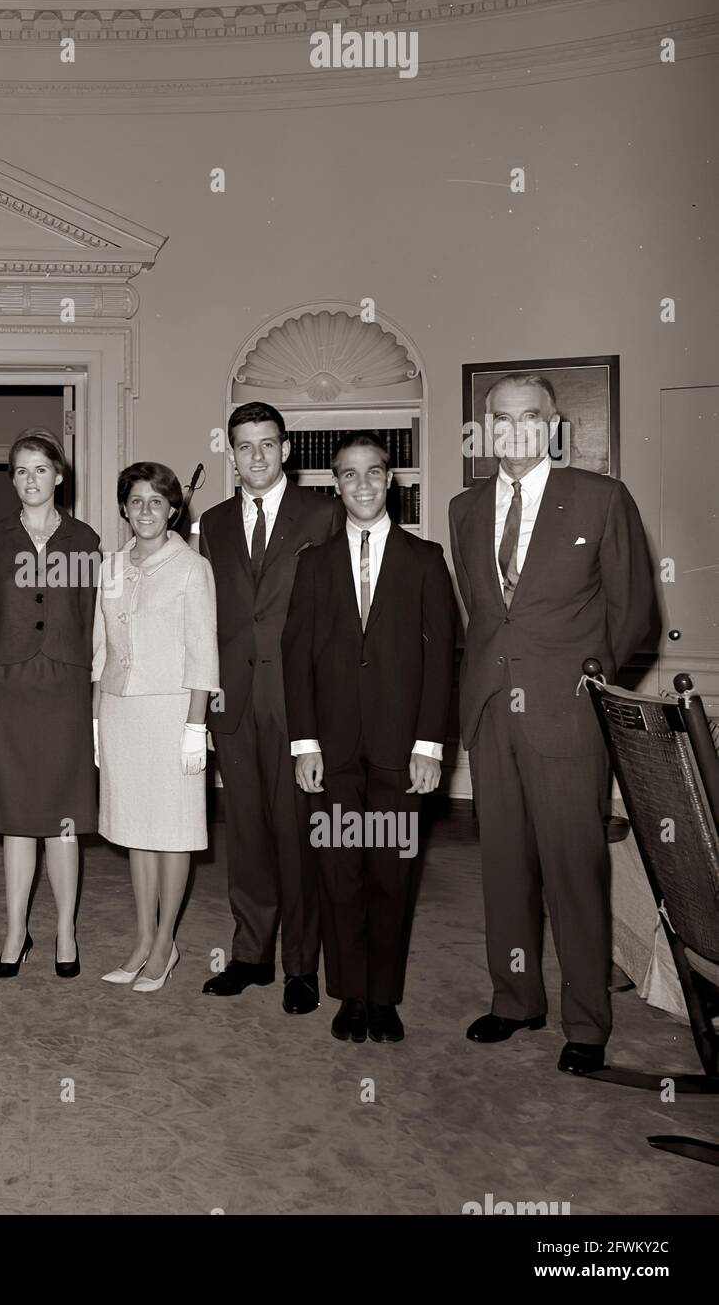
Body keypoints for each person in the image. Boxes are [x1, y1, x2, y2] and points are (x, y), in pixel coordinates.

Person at [449, 373, 657, 1075]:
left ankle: (587, 1021)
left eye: (528, 418)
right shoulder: (464, 508)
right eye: (500, 420)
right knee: (504, 869)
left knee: (574, 870)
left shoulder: (600, 499)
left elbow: (633, 611)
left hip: (566, 714)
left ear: (553, 424)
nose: (513, 432)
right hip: (490, 712)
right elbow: (485, 615)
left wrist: (592, 671)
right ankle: (515, 999)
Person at [284, 432, 456, 1043]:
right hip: (331, 753)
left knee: (391, 872)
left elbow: (441, 663)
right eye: (350, 475)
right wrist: (304, 744)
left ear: (392, 482)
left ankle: (384, 997)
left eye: (374, 473)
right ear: (337, 484)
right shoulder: (313, 562)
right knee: (339, 872)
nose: (362, 485)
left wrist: (429, 747)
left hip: (399, 751)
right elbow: (295, 657)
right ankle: (350, 994)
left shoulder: (425, 560)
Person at [197, 403, 341, 1014]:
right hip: (234, 701)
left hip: (298, 702)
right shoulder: (214, 521)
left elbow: (338, 616)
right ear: (230, 453)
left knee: (297, 837)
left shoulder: (324, 514)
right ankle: (251, 955)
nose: (255, 456)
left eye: (266, 444)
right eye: (244, 445)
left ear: (286, 450)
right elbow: (208, 618)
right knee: (249, 836)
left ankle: (301, 966)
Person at [0, 430, 100, 979]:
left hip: (66, 689)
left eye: (40, 469)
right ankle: (16, 929)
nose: (30, 479)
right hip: (8, 687)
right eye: (20, 471)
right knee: (17, 820)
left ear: (59, 476)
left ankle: (66, 929)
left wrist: (95, 703)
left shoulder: (85, 540)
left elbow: (95, 625)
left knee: (64, 820)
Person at [94, 462, 218, 992]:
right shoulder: (110, 565)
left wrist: (196, 726)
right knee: (136, 834)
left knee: (172, 835)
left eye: (157, 502)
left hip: (172, 715)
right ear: (124, 507)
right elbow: (101, 648)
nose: (146, 510)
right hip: (122, 713)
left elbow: (203, 653)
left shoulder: (191, 568)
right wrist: (97, 719)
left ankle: (166, 943)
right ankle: (142, 939)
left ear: (173, 509)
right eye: (137, 500)